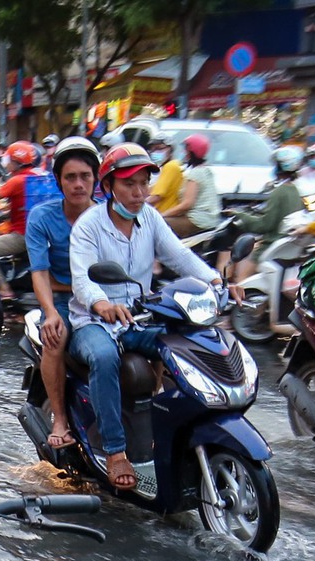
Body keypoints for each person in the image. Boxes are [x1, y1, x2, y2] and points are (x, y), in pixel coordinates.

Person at [69, 144, 223, 490]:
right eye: (129, 184)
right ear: (108, 186)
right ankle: (115, 451)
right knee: (105, 358)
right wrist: (101, 303)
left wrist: (215, 280)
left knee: (189, 342)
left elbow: (179, 256)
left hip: (139, 320)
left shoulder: (150, 217)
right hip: (95, 323)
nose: (139, 193)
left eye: (144, 183)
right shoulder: (88, 226)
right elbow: (81, 279)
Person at [27, 137, 101, 455]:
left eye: (85, 176)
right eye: (70, 177)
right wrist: (51, 313)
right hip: (60, 299)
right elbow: (39, 271)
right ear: (59, 181)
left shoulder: (109, 217)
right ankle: (60, 420)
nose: (78, 184)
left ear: (96, 179)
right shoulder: (42, 217)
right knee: (55, 337)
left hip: (102, 299)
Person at [0, 141, 52, 293]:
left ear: (16, 162)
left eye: (8, 159)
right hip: (43, 234)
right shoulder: (40, 176)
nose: (6, 163)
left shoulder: (16, 181)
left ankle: (4, 290)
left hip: (22, 236)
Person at [233, 144, 305, 282]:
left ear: (280, 167)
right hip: (286, 245)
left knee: (240, 280)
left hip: (272, 244)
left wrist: (240, 215)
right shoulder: (295, 191)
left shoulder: (278, 192)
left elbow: (264, 225)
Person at [162, 133, 222, 237]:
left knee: (155, 226)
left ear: (192, 151)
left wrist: (162, 215)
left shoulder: (195, 173)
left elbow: (187, 204)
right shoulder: (206, 170)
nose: (184, 153)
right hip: (209, 221)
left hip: (197, 221)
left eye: (186, 150)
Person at [148, 137, 184, 215]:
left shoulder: (170, 166)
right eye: (153, 149)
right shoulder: (165, 167)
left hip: (164, 214)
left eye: (159, 148)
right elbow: (151, 190)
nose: (155, 152)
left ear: (170, 150)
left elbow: (156, 196)